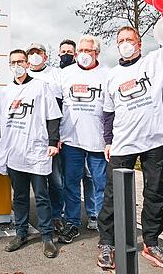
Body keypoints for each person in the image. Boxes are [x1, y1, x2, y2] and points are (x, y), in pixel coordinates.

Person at [97, 16, 163, 271]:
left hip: (154, 142)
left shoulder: (158, 60)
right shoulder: (112, 76)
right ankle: (107, 243)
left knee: (154, 194)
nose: (125, 45)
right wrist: (108, 141)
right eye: (120, 41)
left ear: (140, 44)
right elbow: (107, 113)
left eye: (129, 40)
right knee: (112, 197)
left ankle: (151, 242)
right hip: (122, 143)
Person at [0, 49, 63, 258]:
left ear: (26, 63)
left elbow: (53, 117)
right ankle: (21, 233)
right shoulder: (5, 92)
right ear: (9, 65)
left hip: (36, 150)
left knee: (41, 196)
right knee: (20, 197)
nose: (17, 65)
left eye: (20, 61)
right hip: (15, 152)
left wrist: (52, 142)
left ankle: (47, 237)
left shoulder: (41, 87)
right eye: (13, 62)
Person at [56, 35, 109, 244]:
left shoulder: (107, 74)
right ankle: (72, 223)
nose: (84, 55)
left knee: (101, 184)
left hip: (98, 141)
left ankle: (106, 227)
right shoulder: (65, 74)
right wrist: (57, 135)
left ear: (97, 53)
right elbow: (56, 105)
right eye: (81, 51)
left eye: (89, 51)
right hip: (71, 140)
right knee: (71, 184)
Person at [27, 42, 66, 232]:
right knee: (35, 182)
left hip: (51, 138)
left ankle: (57, 216)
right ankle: (34, 217)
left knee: (57, 181)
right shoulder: (24, 76)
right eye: (31, 53)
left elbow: (59, 109)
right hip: (30, 139)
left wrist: (56, 136)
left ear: (45, 56)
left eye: (38, 53)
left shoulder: (55, 74)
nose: (35, 56)